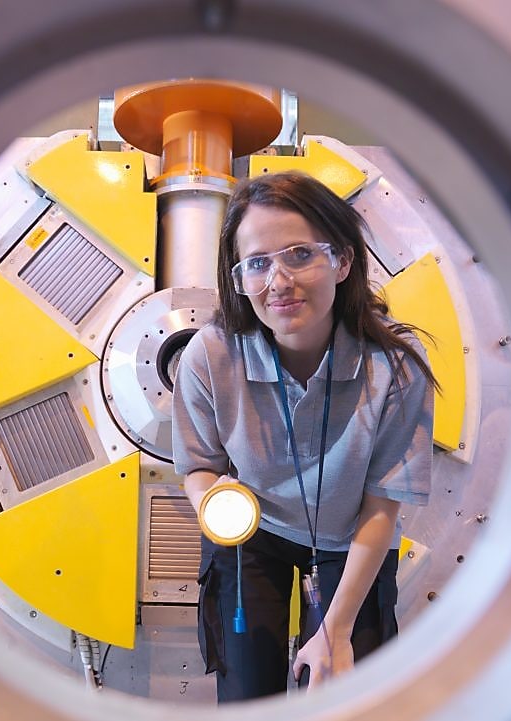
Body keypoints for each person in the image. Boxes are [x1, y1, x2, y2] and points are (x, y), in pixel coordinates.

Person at [171, 171, 438, 702]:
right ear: (239, 276)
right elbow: (198, 465)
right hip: (253, 532)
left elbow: (382, 504)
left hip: (351, 535)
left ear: (341, 260)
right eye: (258, 263)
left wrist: (335, 629)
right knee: (249, 693)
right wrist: (215, 502)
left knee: (344, 689)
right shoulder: (211, 354)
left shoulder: (395, 367)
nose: (278, 281)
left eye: (299, 255)